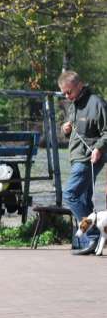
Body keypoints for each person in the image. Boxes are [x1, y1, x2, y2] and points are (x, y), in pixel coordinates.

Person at [59, 70, 107, 255]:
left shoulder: (96, 103)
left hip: (89, 158)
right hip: (77, 156)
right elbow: (74, 128)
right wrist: (66, 129)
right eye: (64, 93)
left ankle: (93, 236)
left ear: (79, 85)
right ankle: (93, 241)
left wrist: (99, 148)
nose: (66, 96)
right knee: (83, 199)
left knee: (69, 194)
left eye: (69, 91)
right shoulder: (74, 104)